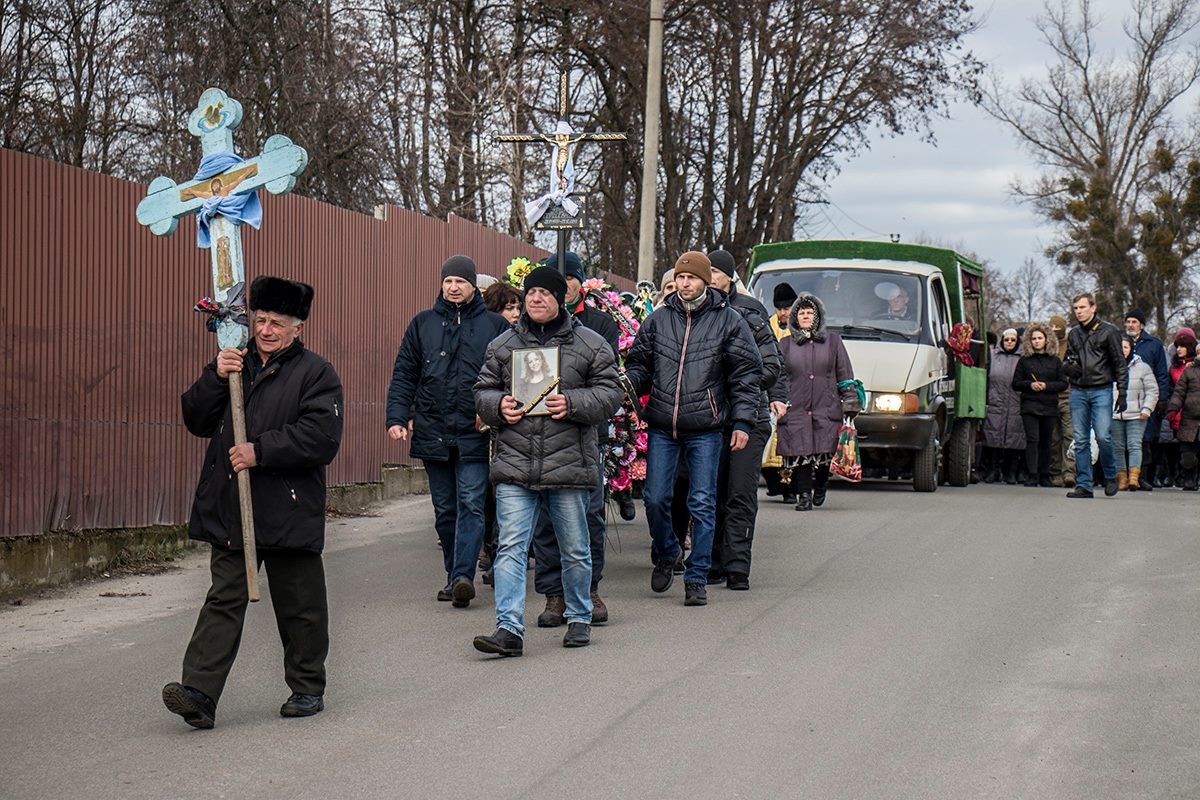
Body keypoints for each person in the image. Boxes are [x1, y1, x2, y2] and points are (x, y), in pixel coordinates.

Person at [162, 276, 344, 729]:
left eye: (277, 323)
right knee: (223, 598)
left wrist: (259, 451)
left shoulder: (316, 374)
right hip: (231, 507)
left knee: (299, 603)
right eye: (260, 320)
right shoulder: (234, 364)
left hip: (288, 506)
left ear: (298, 327)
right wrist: (214, 376)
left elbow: (321, 438)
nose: (265, 330)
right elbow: (196, 419)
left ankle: (306, 687)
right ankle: (199, 693)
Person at [472, 266, 623, 655]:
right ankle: (508, 628)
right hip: (515, 464)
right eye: (531, 293)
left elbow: (611, 393)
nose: (537, 299)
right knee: (510, 547)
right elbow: (482, 390)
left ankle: (578, 616)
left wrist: (572, 403)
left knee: (574, 546)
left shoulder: (589, 344)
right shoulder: (503, 345)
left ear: (561, 299)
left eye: (545, 293)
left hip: (568, 462)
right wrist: (497, 406)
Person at [624, 251, 761, 606]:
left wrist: (743, 421)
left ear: (705, 281)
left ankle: (697, 576)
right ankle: (669, 551)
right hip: (662, 425)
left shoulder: (728, 321)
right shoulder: (658, 319)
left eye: (692, 278)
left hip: (706, 427)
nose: (684, 284)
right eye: (680, 278)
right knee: (655, 499)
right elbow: (640, 362)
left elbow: (746, 375)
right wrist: (629, 385)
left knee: (702, 502)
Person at [386, 255, 509, 606]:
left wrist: (493, 410)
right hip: (432, 429)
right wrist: (397, 417)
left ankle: (461, 577)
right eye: (448, 281)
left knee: (471, 503)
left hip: (475, 431)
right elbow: (405, 374)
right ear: (441, 284)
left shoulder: (495, 327)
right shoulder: (422, 324)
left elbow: (507, 375)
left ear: (474, 287)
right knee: (445, 509)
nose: (454, 287)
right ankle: (453, 570)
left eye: (461, 282)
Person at [529, 251, 619, 628]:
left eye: (569, 279)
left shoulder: (599, 325)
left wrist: (574, 402)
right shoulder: (528, 329)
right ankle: (554, 595)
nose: (563, 286)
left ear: (580, 283)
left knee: (589, 515)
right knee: (547, 520)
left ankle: (589, 588)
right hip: (537, 436)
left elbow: (607, 385)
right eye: (556, 280)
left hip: (584, 436)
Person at [706, 249, 786, 589]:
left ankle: (737, 564)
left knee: (740, 492)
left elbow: (772, 363)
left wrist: (739, 382)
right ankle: (712, 562)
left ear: (729, 276)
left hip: (750, 417)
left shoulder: (751, 311)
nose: (709, 277)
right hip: (709, 418)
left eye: (715, 272)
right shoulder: (695, 312)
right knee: (711, 493)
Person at [776, 293, 859, 510]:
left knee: (824, 453)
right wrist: (777, 399)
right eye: (801, 312)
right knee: (800, 452)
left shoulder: (833, 342)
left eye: (809, 312)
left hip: (826, 405)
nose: (805, 316)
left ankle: (821, 484)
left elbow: (844, 373)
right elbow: (778, 376)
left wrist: (849, 398)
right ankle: (804, 496)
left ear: (818, 316)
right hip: (796, 406)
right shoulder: (785, 344)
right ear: (795, 317)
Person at [1063, 292, 1127, 498]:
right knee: (1081, 439)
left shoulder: (1109, 331)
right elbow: (1068, 359)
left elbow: (1119, 363)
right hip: (1078, 389)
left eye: (1082, 307)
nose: (1079, 312)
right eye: (1076, 308)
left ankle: (1109, 475)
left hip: (1102, 388)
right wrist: (1068, 368)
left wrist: (1123, 392)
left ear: (1093, 307)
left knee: (1102, 436)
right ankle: (1084, 484)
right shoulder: (1073, 333)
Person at [1012, 323, 1067, 487]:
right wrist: (1030, 385)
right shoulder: (1024, 361)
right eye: (1033, 338)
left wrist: (1047, 386)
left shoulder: (1056, 361)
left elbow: (1063, 383)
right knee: (1032, 440)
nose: (1036, 341)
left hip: (1049, 405)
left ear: (1046, 339)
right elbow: (1015, 383)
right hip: (1030, 405)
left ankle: (1045, 474)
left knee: (1047, 441)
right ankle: (1032, 474)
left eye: (1039, 338)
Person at [1124, 310, 1170, 490]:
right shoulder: (1119, 342)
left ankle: (1142, 476)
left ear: (1142, 325)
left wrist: (1162, 399)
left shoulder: (1154, 345)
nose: (1130, 325)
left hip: (1146, 400)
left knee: (1145, 440)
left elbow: (1162, 374)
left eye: (1134, 322)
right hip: (1125, 398)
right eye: (1128, 322)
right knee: (1123, 439)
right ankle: (1122, 476)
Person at [1112, 333, 1159, 490]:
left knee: (1134, 444)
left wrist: (1147, 408)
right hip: (1114, 414)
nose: (1122, 350)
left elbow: (1152, 390)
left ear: (1131, 348)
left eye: (1125, 347)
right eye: (1119, 347)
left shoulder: (1143, 367)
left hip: (1137, 414)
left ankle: (1134, 477)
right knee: (1117, 446)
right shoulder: (1108, 367)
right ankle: (1122, 479)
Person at [983, 328, 1026, 484]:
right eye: (1006, 339)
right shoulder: (993, 356)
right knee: (993, 437)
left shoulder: (1022, 358)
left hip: (1016, 402)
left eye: (1013, 340)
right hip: (996, 401)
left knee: (1015, 438)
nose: (1009, 342)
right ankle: (993, 471)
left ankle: (1011, 472)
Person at [1166, 330, 1200, 491]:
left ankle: (1194, 478)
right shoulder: (1188, 371)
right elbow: (1178, 392)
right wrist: (1173, 409)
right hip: (1188, 418)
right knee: (1187, 454)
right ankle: (1189, 478)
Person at [1047, 314, 1076, 487]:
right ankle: (1055, 472)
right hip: (1049, 396)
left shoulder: (1071, 344)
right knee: (1053, 438)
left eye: (1057, 328)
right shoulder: (1046, 345)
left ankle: (1070, 472)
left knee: (1069, 436)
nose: (1054, 331)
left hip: (1069, 396)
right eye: (1051, 328)